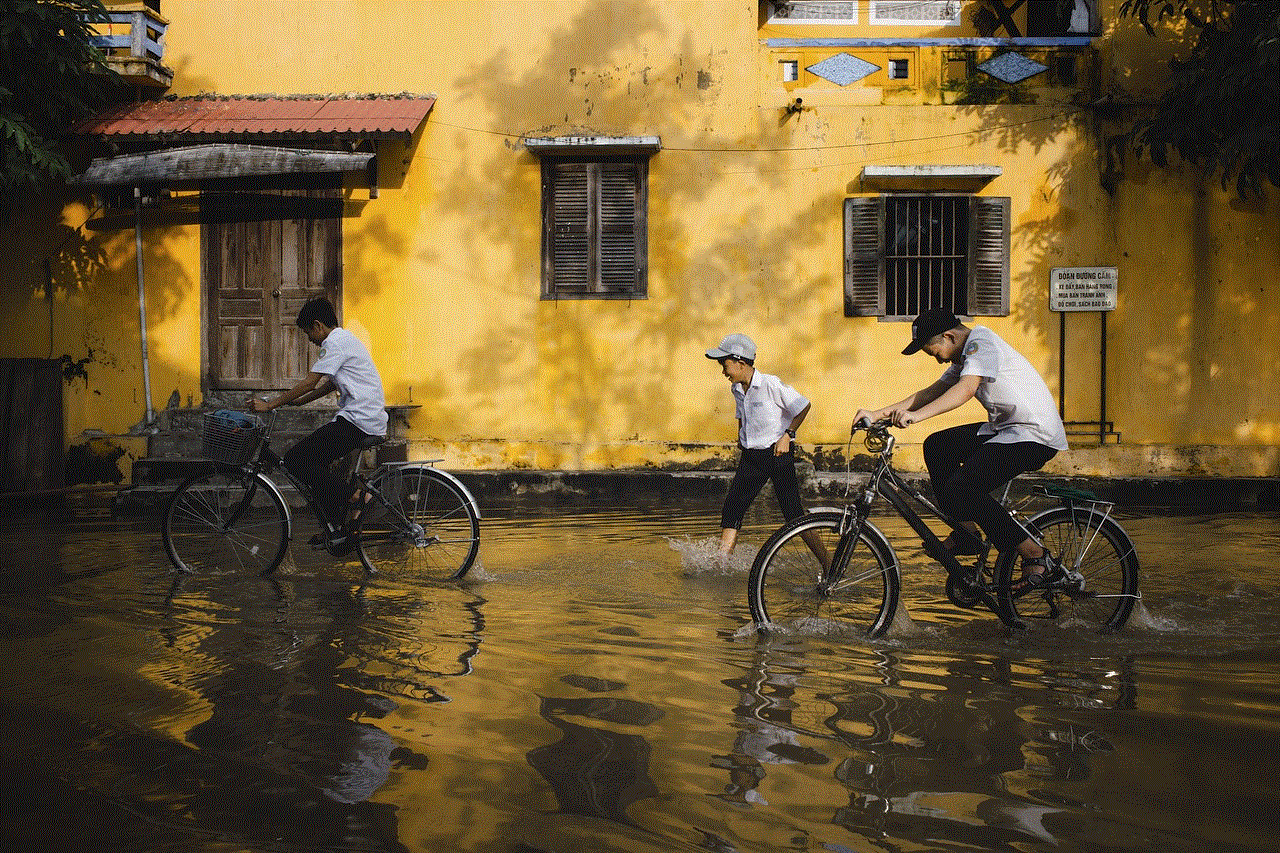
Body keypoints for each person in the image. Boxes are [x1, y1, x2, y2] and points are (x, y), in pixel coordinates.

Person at [852, 309, 1069, 589]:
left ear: (949, 336)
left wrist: (916, 417)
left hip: (1034, 435)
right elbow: (931, 392)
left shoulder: (981, 343)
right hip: (1008, 430)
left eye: (934, 352)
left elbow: (965, 390)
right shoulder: (964, 353)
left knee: (963, 487)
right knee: (938, 446)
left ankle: (1033, 554)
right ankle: (966, 532)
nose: (938, 359)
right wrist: (878, 413)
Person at [250, 297, 388, 555]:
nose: (310, 340)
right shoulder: (345, 339)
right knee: (317, 465)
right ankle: (336, 526)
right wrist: (299, 402)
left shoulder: (333, 342)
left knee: (295, 460)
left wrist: (271, 405)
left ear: (318, 325)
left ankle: (357, 497)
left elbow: (310, 381)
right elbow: (328, 385)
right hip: (364, 418)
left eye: (308, 333)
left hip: (359, 420)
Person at [706, 333, 813, 561]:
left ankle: (829, 562)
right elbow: (742, 416)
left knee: (794, 515)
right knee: (732, 509)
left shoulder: (770, 384)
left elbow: (803, 406)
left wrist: (788, 435)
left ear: (740, 363)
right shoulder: (736, 388)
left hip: (777, 455)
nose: (723, 372)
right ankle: (721, 564)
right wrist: (741, 436)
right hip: (751, 458)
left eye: (725, 365)